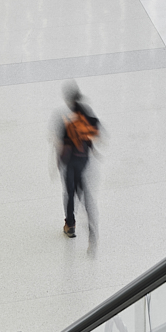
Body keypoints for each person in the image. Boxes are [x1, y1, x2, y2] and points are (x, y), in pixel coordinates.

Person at [53, 85, 100, 255]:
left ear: (67, 100)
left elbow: (60, 142)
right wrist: (91, 148)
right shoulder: (87, 113)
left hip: (69, 161)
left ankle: (70, 225)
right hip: (82, 160)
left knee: (69, 192)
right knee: (85, 195)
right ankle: (92, 231)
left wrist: (57, 162)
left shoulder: (65, 117)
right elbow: (95, 133)